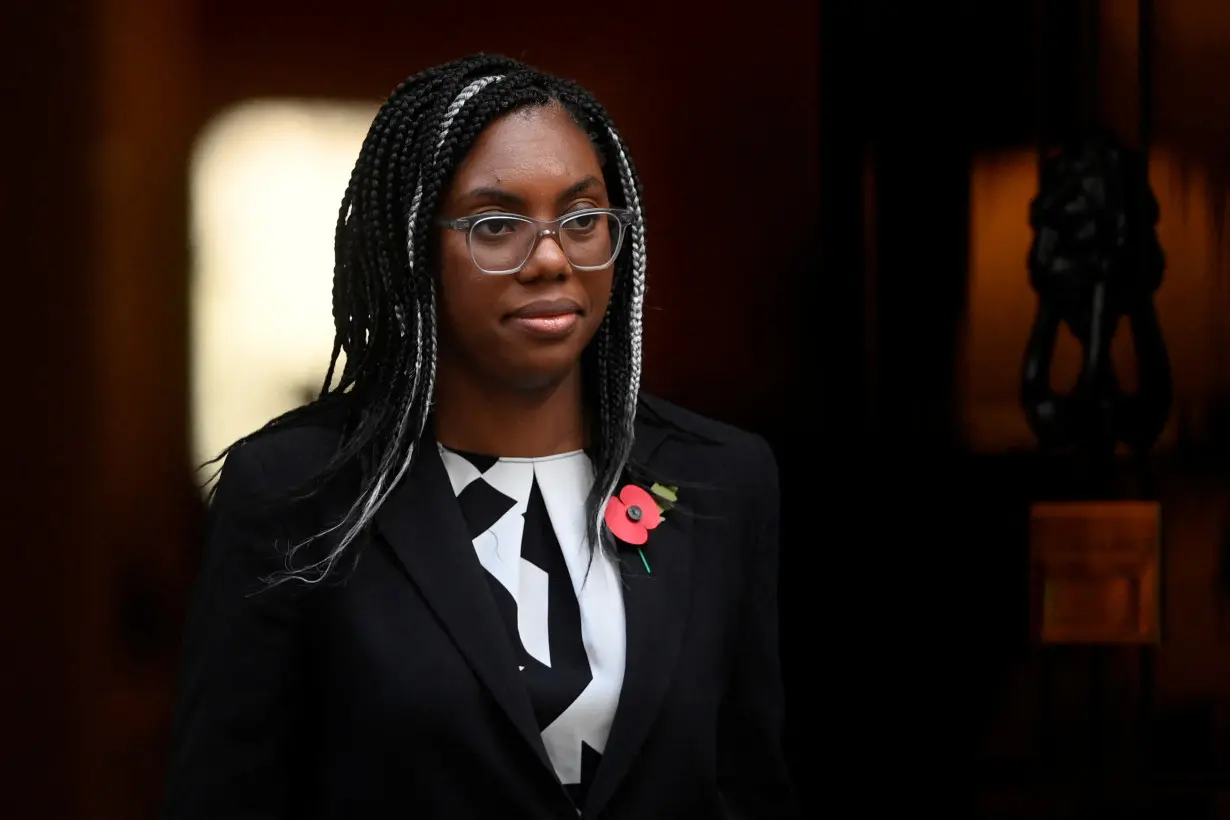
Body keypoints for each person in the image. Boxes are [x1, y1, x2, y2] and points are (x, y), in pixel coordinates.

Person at [162, 53, 796, 820]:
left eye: (583, 219)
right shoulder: (300, 493)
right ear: (411, 247)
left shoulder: (720, 479)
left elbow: (748, 784)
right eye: (498, 226)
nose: (553, 258)